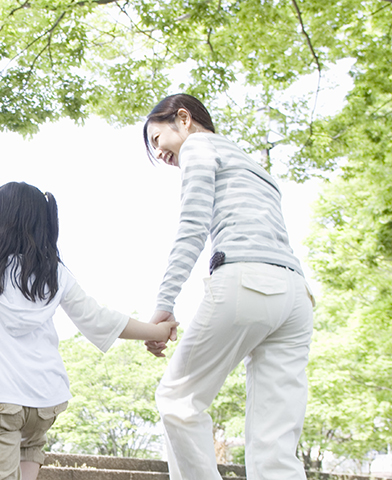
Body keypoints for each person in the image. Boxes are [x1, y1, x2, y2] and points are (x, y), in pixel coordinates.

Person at [0, 181, 177, 480]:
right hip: (45, 400)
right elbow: (99, 319)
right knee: (29, 454)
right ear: (43, 222)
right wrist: (156, 332)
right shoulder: (53, 273)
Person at [142, 93, 315, 480]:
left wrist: (164, 304)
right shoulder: (252, 165)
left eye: (157, 140)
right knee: (274, 441)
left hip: (248, 282)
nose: (160, 154)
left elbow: (191, 228)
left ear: (182, 119)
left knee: (178, 400)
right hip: (296, 296)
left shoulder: (199, 147)